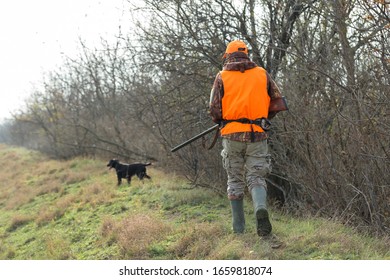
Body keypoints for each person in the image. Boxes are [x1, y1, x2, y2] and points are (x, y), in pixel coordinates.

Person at [209, 39, 283, 236]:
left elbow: (214, 109)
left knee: (234, 179)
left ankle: (239, 230)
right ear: (246, 54)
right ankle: (260, 208)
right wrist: (263, 119)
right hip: (258, 134)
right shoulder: (262, 74)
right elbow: (277, 101)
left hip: (232, 135)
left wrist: (222, 121)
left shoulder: (222, 76)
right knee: (256, 176)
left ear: (228, 56)